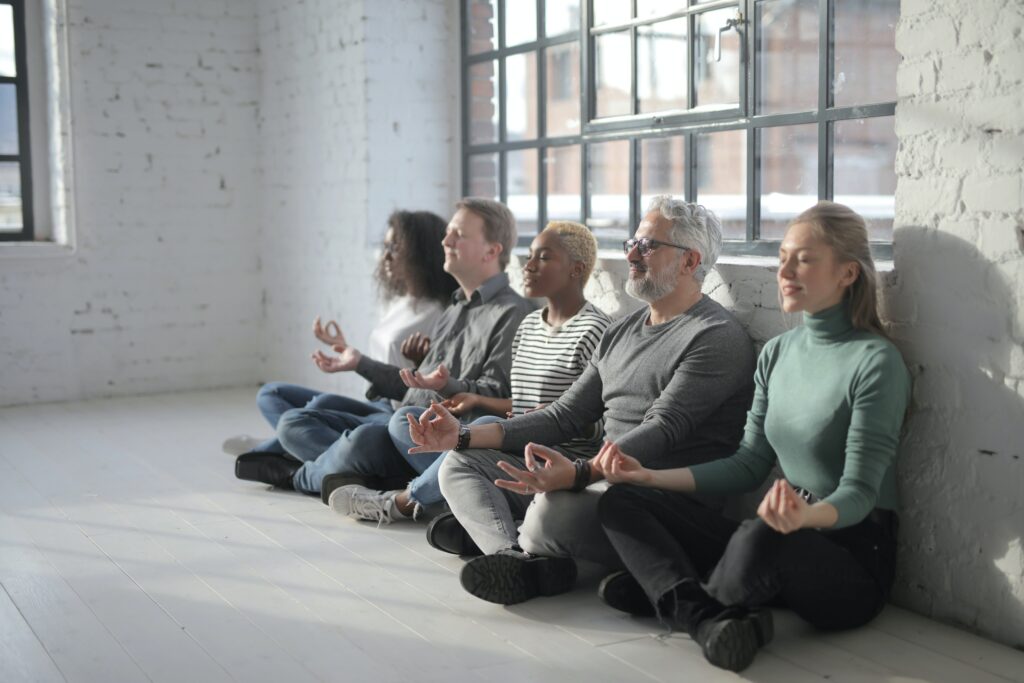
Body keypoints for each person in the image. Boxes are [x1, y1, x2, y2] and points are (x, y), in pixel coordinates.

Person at [593, 201, 911, 673]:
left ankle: (682, 595)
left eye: (804, 258)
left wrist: (806, 516)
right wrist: (649, 479)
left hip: (851, 559)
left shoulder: (876, 362)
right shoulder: (778, 352)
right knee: (622, 501)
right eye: (782, 256)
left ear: (847, 273)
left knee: (761, 538)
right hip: (779, 528)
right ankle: (705, 615)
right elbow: (747, 465)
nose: (785, 270)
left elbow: (862, 494)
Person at [407, 197, 756, 606]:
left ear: (689, 261)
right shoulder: (622, 330)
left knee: (551, 512)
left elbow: (662, 429)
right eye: (633, 242)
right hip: (598, 478)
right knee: (458, 466)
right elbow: (565, 414)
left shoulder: (715, 336)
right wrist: (463, 436)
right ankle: (515, 558)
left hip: (653, 501)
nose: (631, 253)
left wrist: (577, 473)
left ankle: (520, 543)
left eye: (647, 246)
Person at [234, 198, 534, 495]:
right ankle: (361, 472)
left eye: (459, 234)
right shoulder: (455, 308)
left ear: (491, 251)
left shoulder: (511, 314)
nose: (446, 240)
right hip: (401, 417)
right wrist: (361, 362)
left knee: (362, 439)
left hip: (432, 434)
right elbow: (414, 388)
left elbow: (497, 397)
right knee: (293, 422)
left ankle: (300, 476)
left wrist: (447, 386)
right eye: (448, 232)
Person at [329, 221, 612, 524]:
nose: (528, 266)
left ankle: (402, 502)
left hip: (555, 456)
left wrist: (555, 419)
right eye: (529, 255)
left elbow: (601, 420)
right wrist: (476, 400)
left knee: (477, 432)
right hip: (517, 439)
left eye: (543, 257)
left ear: (577, 269)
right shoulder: (529, 326)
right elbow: (519, 403)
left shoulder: (597, 331)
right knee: (406, 420)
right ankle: (451, 498)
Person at [222, 210, 455, 456]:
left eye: (396, 248)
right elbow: (383, 365)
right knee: (271, 393)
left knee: (318, 408)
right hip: (378, 403)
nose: (386, 256)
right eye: (385, 246)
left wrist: (368, 364)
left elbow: (427, 388)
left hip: (399, 415)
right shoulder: (399, 301)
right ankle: (295, 445)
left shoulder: (440, 314)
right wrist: (347, 351)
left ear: (420, 253)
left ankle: (275, 448)